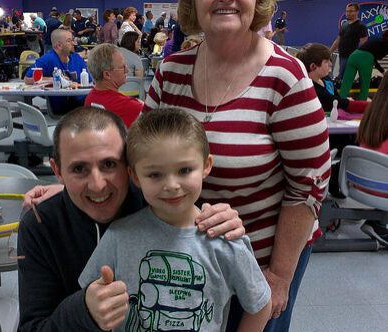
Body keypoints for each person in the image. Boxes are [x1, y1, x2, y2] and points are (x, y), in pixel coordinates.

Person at [144, 1, 331, 331]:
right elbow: (141, 155)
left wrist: (279, 277)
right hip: (188, 259)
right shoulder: (171, 71)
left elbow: (308, 187)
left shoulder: (285, 77)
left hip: (262, 263)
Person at [18, 105, 246, 331]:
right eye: (79, 169)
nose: (97, 185)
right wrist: (83, 310)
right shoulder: (39, 225)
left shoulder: (159, 202)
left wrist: (220, 220)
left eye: (109, 164)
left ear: (129, 167)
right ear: (57, 172)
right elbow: (32, 327)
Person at [79, 108, 272, 331]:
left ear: (206, 165)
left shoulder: (225, 240)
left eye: (184, 170)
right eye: (155, 174)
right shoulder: (118, 237)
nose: (171, 185)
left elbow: (260, 304)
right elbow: (88, 299)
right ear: (134, 176)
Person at [24, 27, 91, 115]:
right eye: (69, 41)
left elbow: (90, 83)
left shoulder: (77, 58)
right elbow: (27, 78)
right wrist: (55, 79)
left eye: (73, 40)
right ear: (59, 45)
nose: (73, 43)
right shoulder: (47, 59)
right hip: (62, 106)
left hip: (81, 102)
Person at [356, 72, 388, 246]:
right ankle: (378, 224)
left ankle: (378, 223)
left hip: (362, 182)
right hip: (383, 187)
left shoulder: (372, 110)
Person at [296, 43, 369, 114]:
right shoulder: (312, 90)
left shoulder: (326, 78)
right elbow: (342, 104)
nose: (330, 64)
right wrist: (371, 106)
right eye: (326, 62)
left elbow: (338, 99)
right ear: (313, 66)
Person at [85, 43, 142, 128]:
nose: (127, 70)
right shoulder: (129, 107)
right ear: (107, 74)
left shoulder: (90, 98)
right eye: (122, 67)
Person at [340, 30, 388, 101]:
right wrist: (383, 72)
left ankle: (340, 102)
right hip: (365, 59)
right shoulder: (386, 44)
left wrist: (382, 71)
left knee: (346, 83)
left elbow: (373, 57)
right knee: (364, 85)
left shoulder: (377, 41)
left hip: (353, 56)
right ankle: (362, 103)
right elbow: (373, 58)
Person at [329, 3, 368, 80]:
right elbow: (337, 41)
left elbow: (365, 45)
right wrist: (329, 52)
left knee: (345, 80)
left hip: (351, 58)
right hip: (342, 56)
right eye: (347, 11)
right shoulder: (345, 25)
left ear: (357, 12)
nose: (348, 13)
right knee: (341, 78)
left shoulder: (361, 26)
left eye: (350, 11)